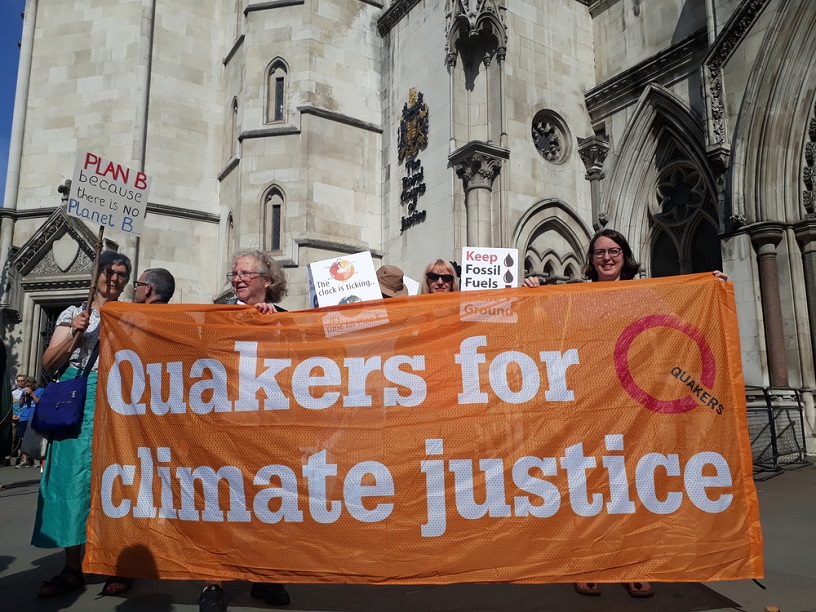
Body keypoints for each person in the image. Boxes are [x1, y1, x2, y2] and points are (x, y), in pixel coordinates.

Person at [526, 228, 726, 598]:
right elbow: (548, 326)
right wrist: (536, 295)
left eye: (613, 250)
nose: (606, 258)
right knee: (591, 484)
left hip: (634, 406)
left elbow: (680, 320)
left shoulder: (643, 294)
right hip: (589, 403)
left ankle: (636, 562)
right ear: (591, 259)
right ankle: (589, 561)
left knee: (634, 484)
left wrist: (709, 285)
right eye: (599, 252)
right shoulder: (577, 296)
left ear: (624, 255)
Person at [31, 250, 132, 598]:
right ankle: (72, 566)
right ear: (95, 274)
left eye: (121, 273)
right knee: (71, 480)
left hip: (119, 401)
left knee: (117, 482)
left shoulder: (131, 314)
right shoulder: (74, 313)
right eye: (108, 271)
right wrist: (76, 333)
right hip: (79, 404)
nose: (114, 278)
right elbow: (48, 363)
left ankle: (117, 564)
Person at [199, 249, 290, 611]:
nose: (237, 279)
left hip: (269, 429)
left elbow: (305, 367)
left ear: (267, 282)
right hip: (225, 426)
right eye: (233, 273)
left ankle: (265, 579)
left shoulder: (286, 320)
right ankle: (212, 583)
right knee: (221, 503)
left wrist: (274, 328)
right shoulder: (219, 317)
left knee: (267, 504)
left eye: (245, 273)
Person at [14, 376, 44, 468]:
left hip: (34, 416)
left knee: (35, 438)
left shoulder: (40, 391)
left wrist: (32, 394)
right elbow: (20, 404)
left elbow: (40, 402)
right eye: (27, 386)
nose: (29, 388)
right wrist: (22, 398)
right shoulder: (24, 391)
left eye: (30, 385)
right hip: (24, 417)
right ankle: (25, 460)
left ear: (34, 384)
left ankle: (36, 459)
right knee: (23, 439)